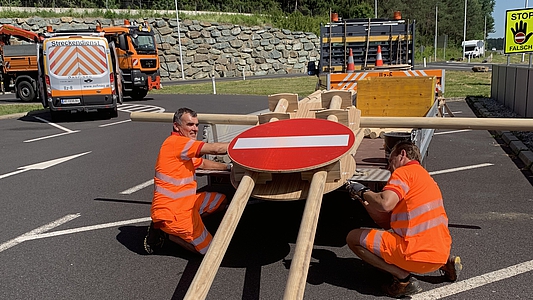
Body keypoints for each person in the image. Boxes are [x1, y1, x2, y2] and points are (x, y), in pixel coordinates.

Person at [345, 141, 462, 298]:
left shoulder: (404, 172)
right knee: (422, 242)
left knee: (352, 238)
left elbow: (385, 203)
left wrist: (364, 191)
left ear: (402, 155)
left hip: (413, 253)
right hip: (440, 253)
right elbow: (385, 221)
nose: (389, 166)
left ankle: (402, 279)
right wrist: (363, 199)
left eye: (390, 159)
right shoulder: (425, 179)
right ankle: (447, 265)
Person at [144, 107, 232, 255]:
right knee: (211, 253)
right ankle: (171, 235)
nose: (195, 129)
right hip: (174, 213)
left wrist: (228, 168)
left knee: (221, 201)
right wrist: (241, 145)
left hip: (187, 203)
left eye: (196, 125)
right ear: (176, 126)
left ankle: (188, 229)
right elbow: (215, 149)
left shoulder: (183, 148)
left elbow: (202, 163)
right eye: (190, 125)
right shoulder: (176, 143)